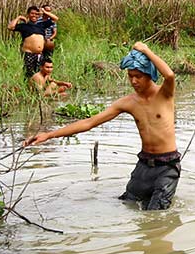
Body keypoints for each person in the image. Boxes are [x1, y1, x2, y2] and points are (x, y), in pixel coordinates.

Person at [24, 42, 180, 210]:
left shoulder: (164, 95)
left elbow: (169, 75)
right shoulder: (128, 102)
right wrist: (48, 135)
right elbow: (89, 122)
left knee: (156, 215)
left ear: (149, 74)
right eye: (130, 76)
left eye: (138, 76)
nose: (133, 81)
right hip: (144, 164)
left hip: (167, 166)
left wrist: (146, 50)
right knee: (127, 205)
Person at [8, 6, 47, 78]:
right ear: (28, 14)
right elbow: (10, 27)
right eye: (32, 13)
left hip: (39, 55)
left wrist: (44, 12)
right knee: (28, 74)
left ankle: (36, 88)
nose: (34, 15)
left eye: (36, 14)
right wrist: (19, 17)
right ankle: (27, 87)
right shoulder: (24, 26)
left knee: (39, 74)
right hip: (29, 54)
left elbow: (55, 19)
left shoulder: (41, 26)